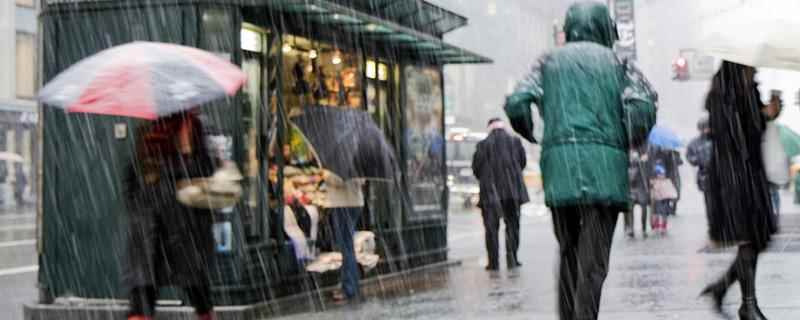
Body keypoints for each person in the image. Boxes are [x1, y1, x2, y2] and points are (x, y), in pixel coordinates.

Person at [503, 3, 657, 319]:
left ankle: (568, 314)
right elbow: (642, 106)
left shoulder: (548, 62)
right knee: (594, 262)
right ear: (605, 28)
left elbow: (518, 101)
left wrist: (531, 131)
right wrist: (625, 136)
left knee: (569, 251)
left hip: (561, 170)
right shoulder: (620, 63)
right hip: (605, 173)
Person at [700, 61, 778, 320]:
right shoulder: (724, 91)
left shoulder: (747, 89)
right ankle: (747, 304)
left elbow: (753, 130)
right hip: (732, 176)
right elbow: (734, 134)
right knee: (748, 236)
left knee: (757, 236)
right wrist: (759, 116)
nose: (755, 69)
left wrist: (767, 114)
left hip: (750, 173)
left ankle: (723, 290)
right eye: (750, 66)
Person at [123, 112, 217, 320]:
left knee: (196, 289)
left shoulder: (192, 128)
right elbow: (132, 178)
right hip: (158, 226)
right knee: (144, 290)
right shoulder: (151, 132)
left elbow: (206, 174)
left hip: (181, 226)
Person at [471, 118, 529, 271]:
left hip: (490, 194)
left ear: (489, 128)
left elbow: (476, 169)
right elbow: (522, 163)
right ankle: (512, 259)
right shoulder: (515, 142)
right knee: (513, 227)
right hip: (512, 193)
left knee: (491, 229)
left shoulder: (483, 145)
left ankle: (493, 263)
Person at [321, 169, 365, 303]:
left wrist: (326, 176)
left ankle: (349, 288)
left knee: (346, 247)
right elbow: (362, 180)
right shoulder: (357, 156)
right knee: (348, 246)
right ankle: (351, 284)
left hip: (343, 204)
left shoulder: (341, 157)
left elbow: (341, 180)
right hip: (354, 203)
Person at [761, 94, 789, 221]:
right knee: (770, 191)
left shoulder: (772, 127)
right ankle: (772, 213)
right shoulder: (769, 124)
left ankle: (774, 213)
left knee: (771, 190)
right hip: (767, 164)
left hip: (769, 165)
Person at [687, 117, 713, 227]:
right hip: (704, 175)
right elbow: (690, 156)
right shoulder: (695, 143)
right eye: (704, 128)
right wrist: (698, 161)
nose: (706, 130)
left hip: (719, 175)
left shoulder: (717, 140)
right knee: (709, 200)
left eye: (707, 127)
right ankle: (711, 221)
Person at [625, 147, 650, 238]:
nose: (633, 157)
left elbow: (647, 172)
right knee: (630, 209)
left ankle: (643, 229)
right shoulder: (627, 164)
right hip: (632, 189)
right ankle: (631, 228)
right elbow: (630, 178)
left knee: (644, 208)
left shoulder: (642, 164)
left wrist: (644, 160)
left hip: (641, 189)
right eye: (631, 155)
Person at [650, 164, 677, 235]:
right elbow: (652, 192)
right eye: (660, 174)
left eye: (663, 174)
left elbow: (672, 190)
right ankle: (656, 227)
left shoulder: (667, 181)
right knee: (656, 215)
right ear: (656, 175)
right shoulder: (654, 182)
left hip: (665, 200)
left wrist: (673, 197)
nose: (662, 175)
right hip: (656, 200)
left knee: (664, 215)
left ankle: (664, 227)